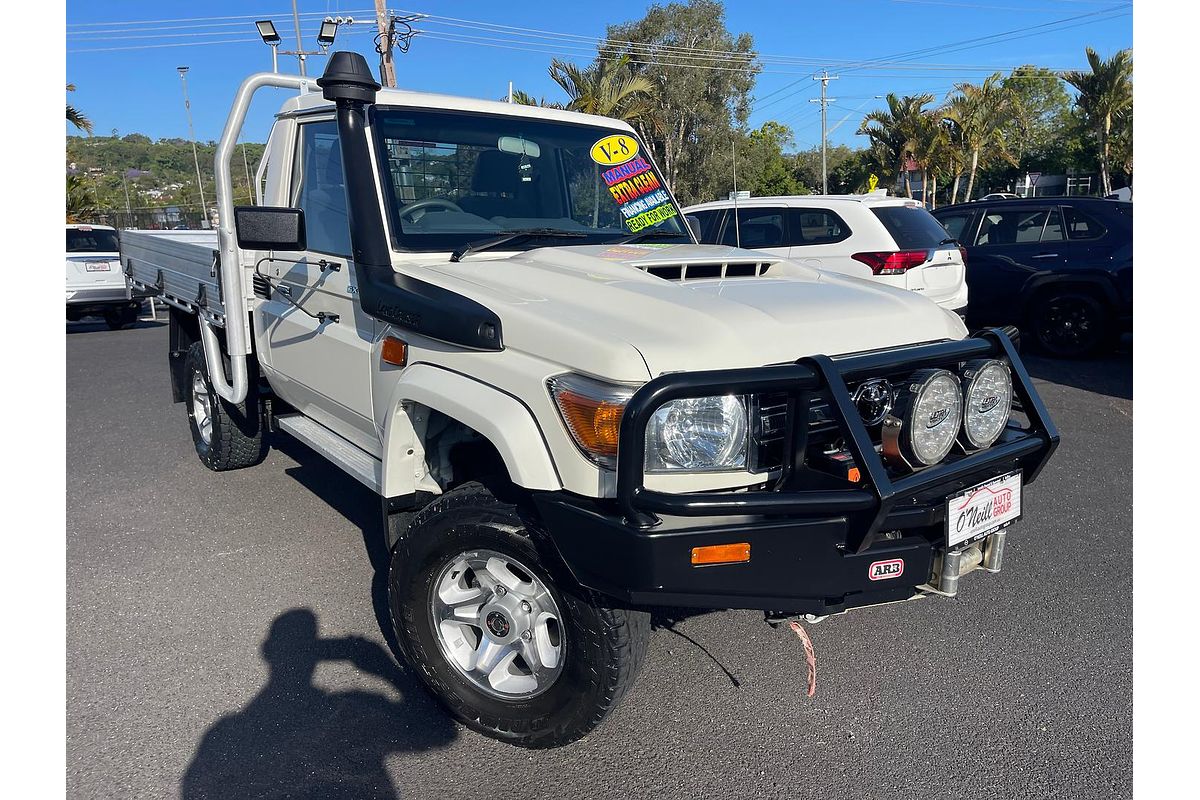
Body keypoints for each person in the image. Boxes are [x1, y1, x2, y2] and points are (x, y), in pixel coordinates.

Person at [181, 609, 455, 799]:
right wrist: (386, 669)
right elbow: (441, 732)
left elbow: (197, 788)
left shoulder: (225, 734)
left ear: (267, 652)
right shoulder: (351, 711)